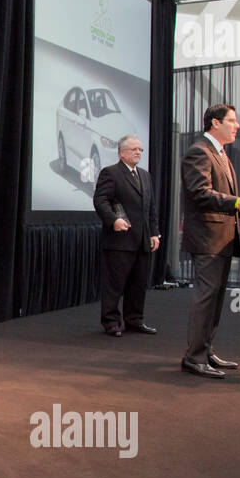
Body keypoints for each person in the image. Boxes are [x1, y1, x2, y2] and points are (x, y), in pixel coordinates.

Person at [180, 104, 240, 379]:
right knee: (206, 299)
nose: (237, 125)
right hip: (208, 238)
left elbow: (225, 199)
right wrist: (238, 202)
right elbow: (199, 193)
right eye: (232, 120)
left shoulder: (221, 154)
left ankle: (205, 351)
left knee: (216, 300)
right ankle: (194, 358)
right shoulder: (200, 151)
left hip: (222, 238)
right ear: (214, 123)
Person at [93, 135, 160, 336]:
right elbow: (100, 200)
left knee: (138, 284)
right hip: (119, 241)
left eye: (140, 149)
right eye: (134, 149)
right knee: (115, 284)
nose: (138, 152)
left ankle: (134, 320)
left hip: (142, 240)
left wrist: (155, 233)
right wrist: (113, 219)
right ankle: (111, 322)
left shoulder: (145, 175)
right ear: (122, 153)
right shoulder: (111, 173)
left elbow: (150, 208)